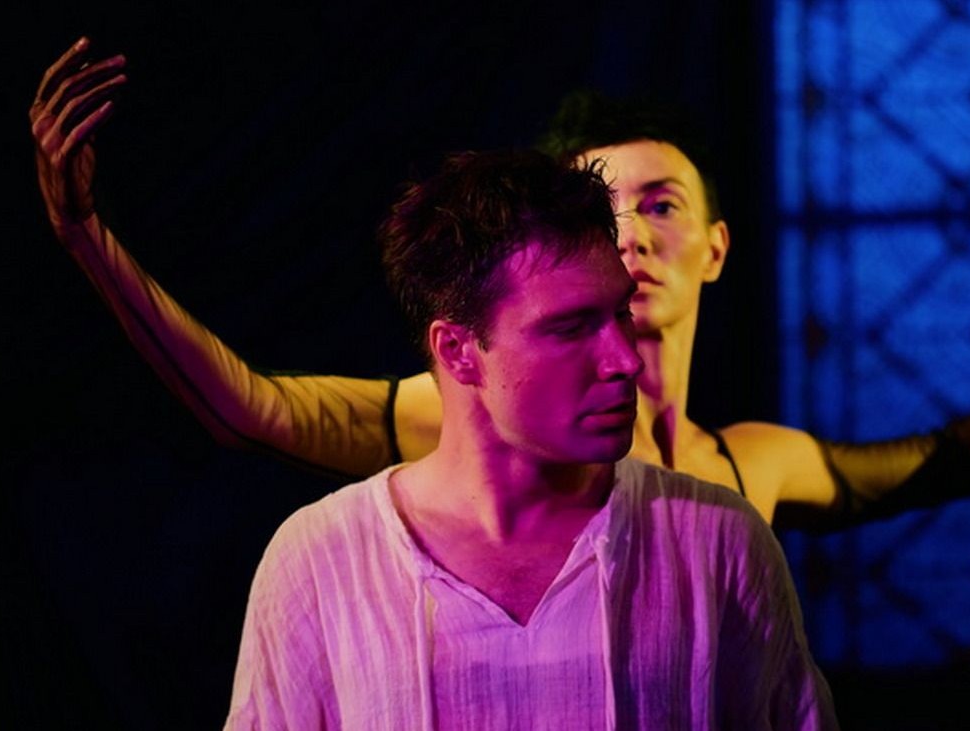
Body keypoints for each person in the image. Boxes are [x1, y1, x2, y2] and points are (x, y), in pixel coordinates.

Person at [30, 38, 970, 534]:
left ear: (715, 246)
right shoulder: (474, 411)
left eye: (661, 205)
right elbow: (255, 406)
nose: (633, 235)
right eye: (602, 209)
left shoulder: (749, 468)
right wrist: (87, 237)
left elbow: (959, 454)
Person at [223, 148, 837, 729]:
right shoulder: (322, 561)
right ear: (458, 351)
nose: (625, 359)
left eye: (620, 313)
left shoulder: (716, 543)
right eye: (570, 328)